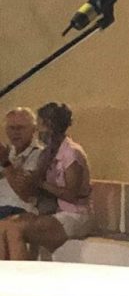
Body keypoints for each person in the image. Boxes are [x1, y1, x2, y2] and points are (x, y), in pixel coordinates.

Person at [0, 102, 93, 259]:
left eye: (40, 125)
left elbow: (71, 195)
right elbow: (33, 182)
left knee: (14, 229)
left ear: (50, 126)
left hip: (74, 214)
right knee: (4, 226)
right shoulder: (49, 152)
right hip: (52, 213)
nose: (39, 131)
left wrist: (39, 183)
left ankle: (20, 273)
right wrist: (23, 175)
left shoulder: (72, 153)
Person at [0, 108, 44, 219]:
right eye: (11, 128)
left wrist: (5, 163)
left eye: (21, 127)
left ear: (34, 130)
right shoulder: (6, 152)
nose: (16, 132)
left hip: (19, 211)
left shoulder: (41, 155)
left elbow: (26, 195)